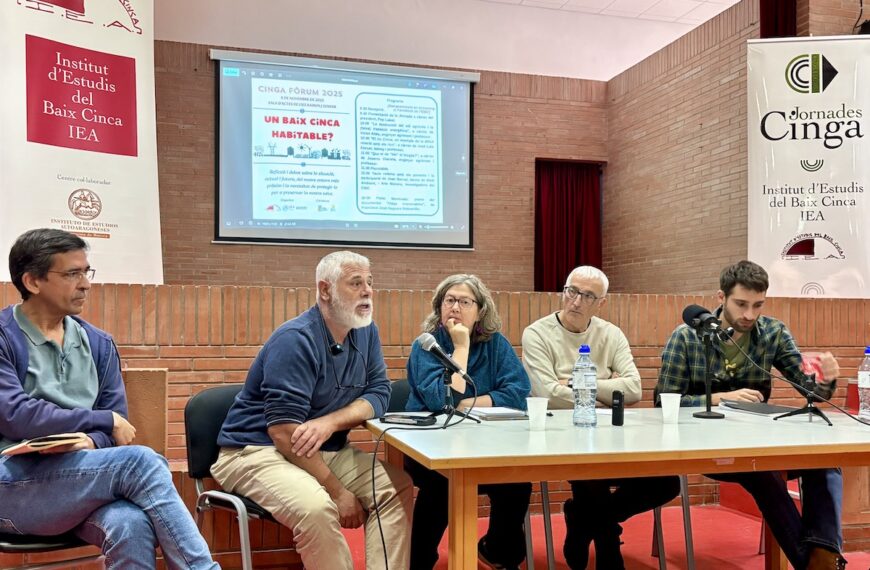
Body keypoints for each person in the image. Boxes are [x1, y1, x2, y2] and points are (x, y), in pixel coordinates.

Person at [0, 228, 219, 570]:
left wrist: (91, 437)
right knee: (140, 462)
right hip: (13, 487)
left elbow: (116, 426)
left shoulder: (99, 344)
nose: (85, 283)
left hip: (78, 481)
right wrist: (101, 422)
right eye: (72, 273)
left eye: (86, 272)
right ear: (32, 281)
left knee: (130, 524)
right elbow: (14, 415)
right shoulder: (4, 337)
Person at [211, 250, 412, 570]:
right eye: (356, 283)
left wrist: (330, 423)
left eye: (370, 283)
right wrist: (338, 491)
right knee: (318, 508)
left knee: (395, 487)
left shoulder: (366, 330)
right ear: (324, 290)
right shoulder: (295, 339)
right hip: (256, 451)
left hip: (322, 447)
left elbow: (379, 393)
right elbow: (283, 431)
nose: (368, 291)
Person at [656, 260, 846, 570]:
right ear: (721, 298)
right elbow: (663, 403)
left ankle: (823, 556)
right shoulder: (687, 336)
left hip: (760, 440)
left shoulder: (773, 332)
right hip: (707, 448)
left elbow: (810, 391)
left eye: (758, 305)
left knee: (824, 458)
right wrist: (717, 398)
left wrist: (825, 381)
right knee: (763, 472)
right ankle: (816, 566)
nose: (749, 315)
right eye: (741, 304)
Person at [522, 265, 680, 570]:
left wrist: (576, 385)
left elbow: (633, 389)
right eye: (572, 291)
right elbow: (546, 392)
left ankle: (581, 520)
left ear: (601, 303)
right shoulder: (538, 333)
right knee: (591, 475)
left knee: (666, 482)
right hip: (560, 435)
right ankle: (609, 548)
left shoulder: (611, 334)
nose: (576, 301)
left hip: (611, 435)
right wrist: (608, 391)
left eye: (587, 295)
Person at [405, 274, 532, 570]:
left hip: (485, 447)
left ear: (480, 311)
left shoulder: (495, 344)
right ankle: (419, 561)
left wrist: (468, 402)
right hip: (428, 450)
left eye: (464, 301)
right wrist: (460, 347)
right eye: (449, 301)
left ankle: (496, 552)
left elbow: (518, 392)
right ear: (439, 308)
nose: (455, 307)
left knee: (516, 483)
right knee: (441, 485)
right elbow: (440, 400)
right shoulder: (426, 346)